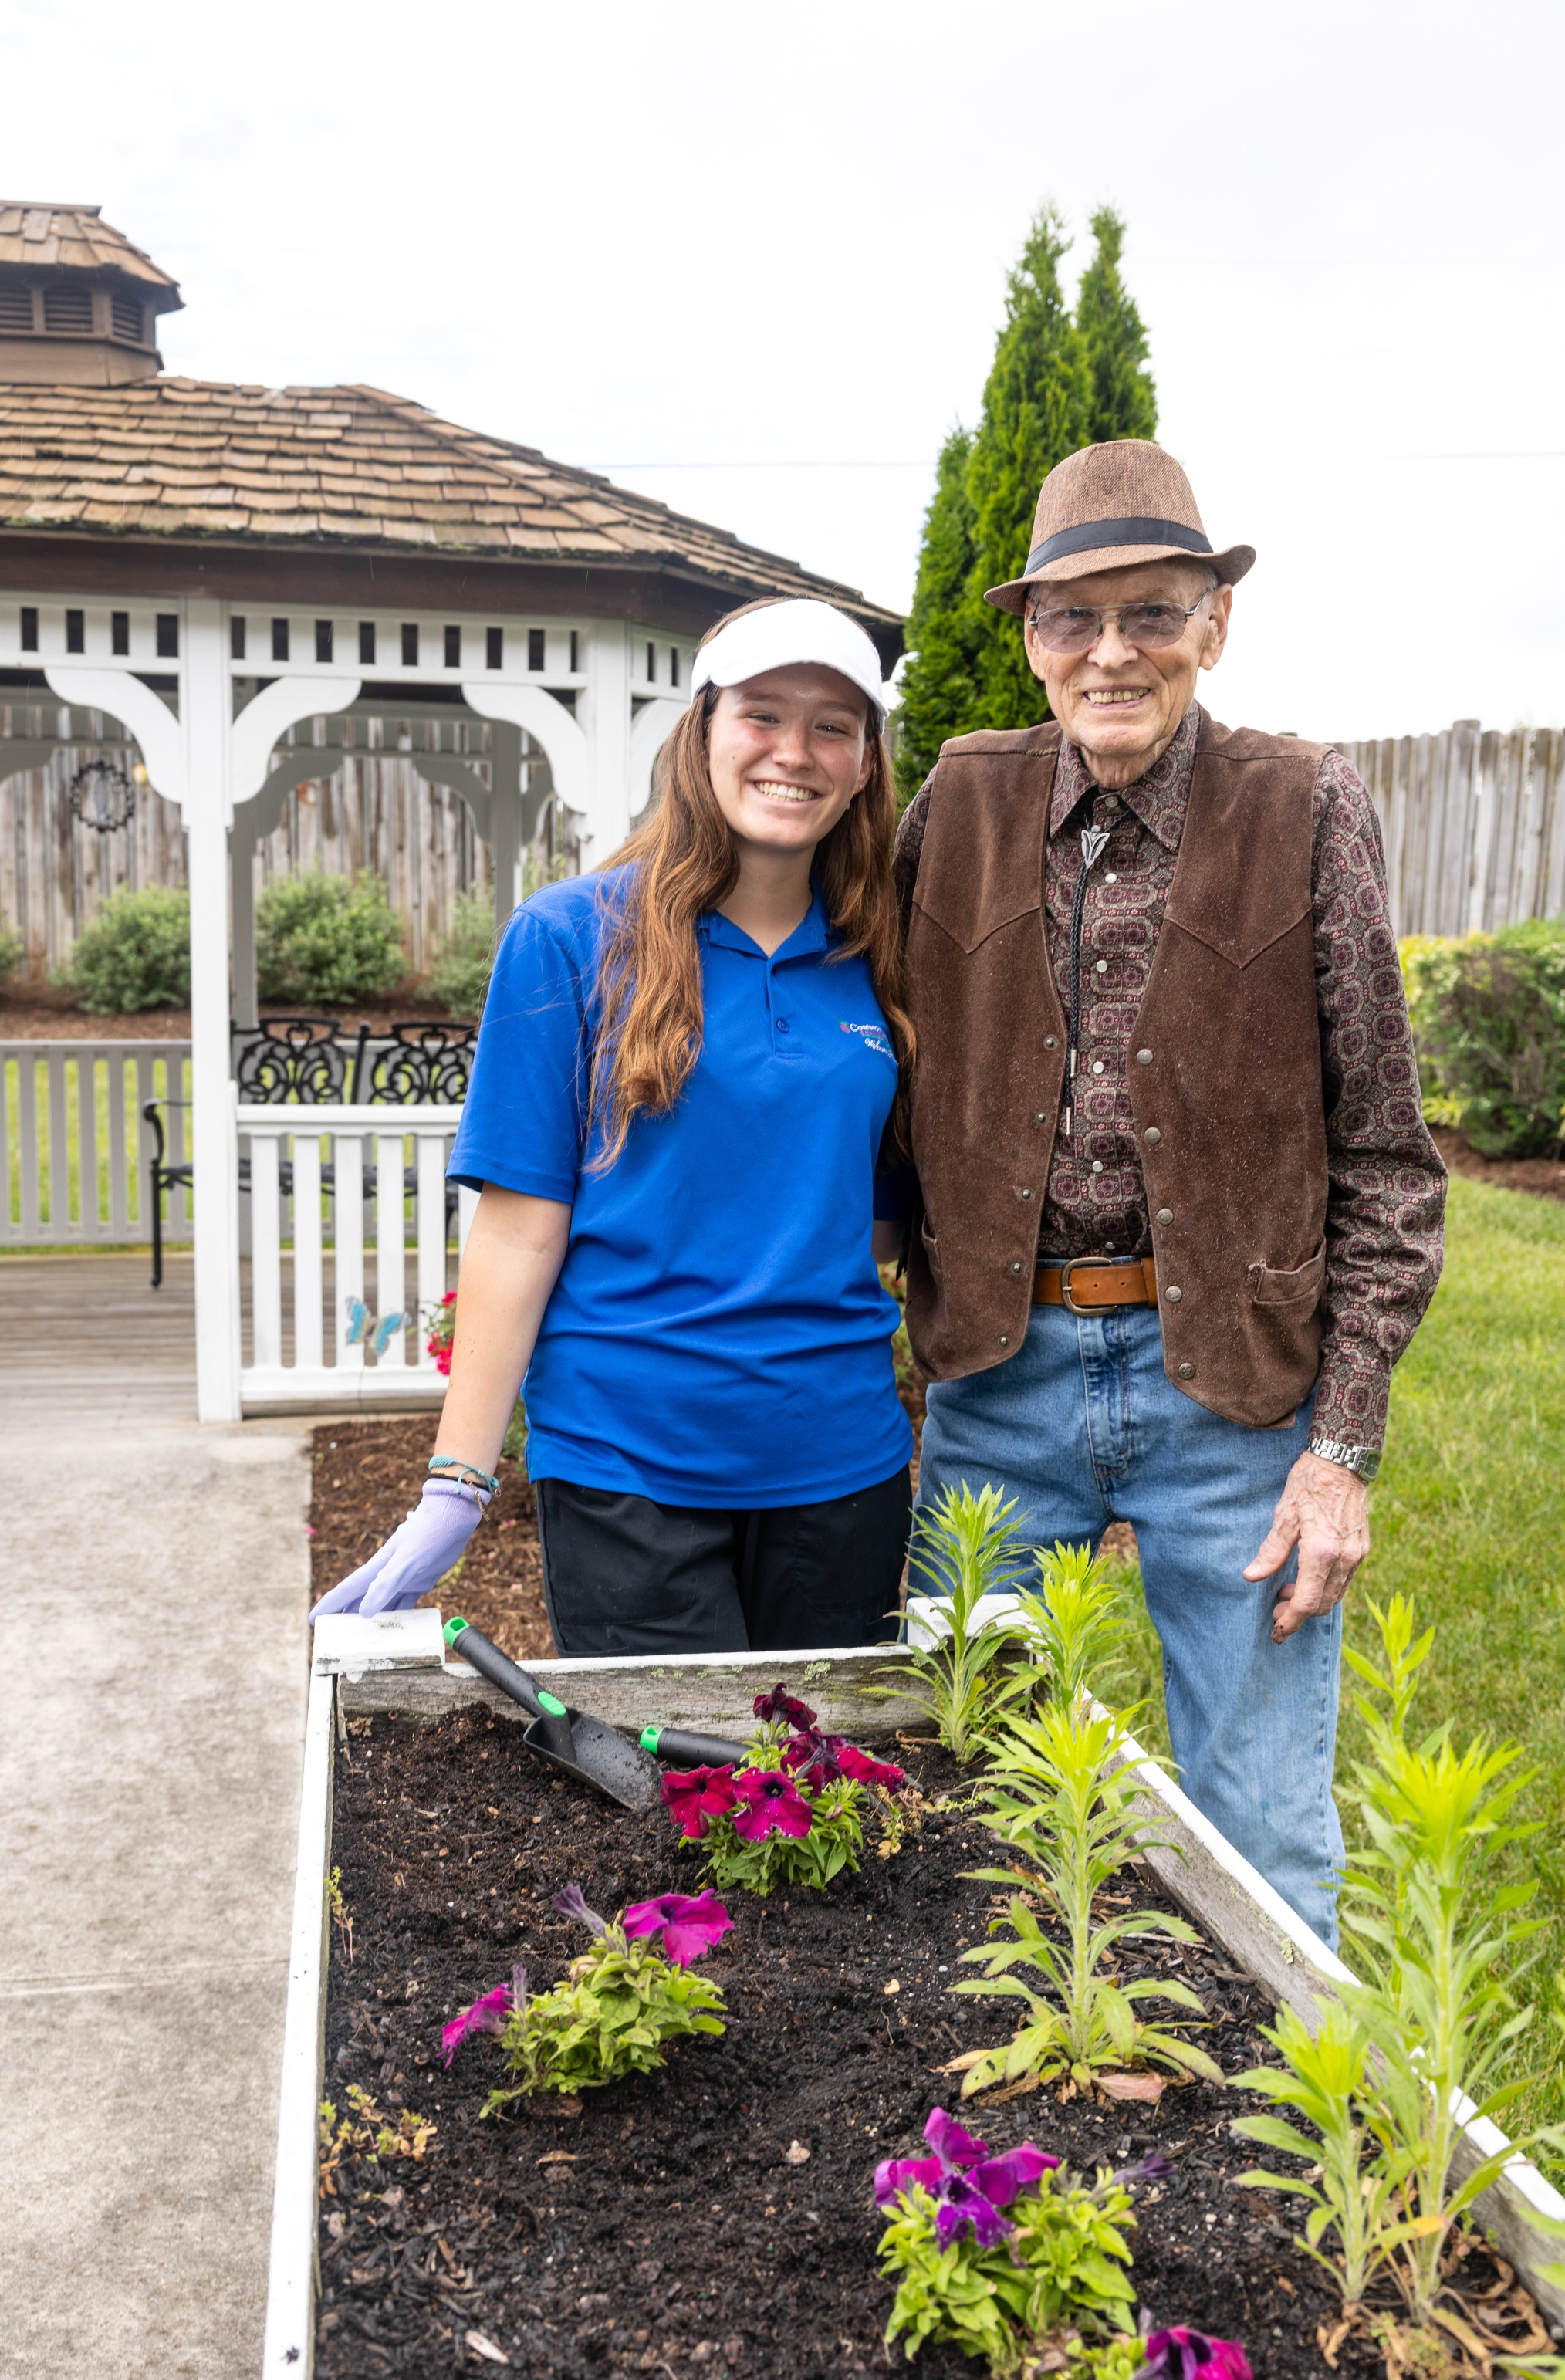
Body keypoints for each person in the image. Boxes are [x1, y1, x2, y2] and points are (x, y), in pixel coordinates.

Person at [894, 440, 1446, 1947]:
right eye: (1072, 619)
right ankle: (999, 2152)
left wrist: (1337, 1449)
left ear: (1213, 622)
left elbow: (1387, 1164)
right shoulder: (957, 801)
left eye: (1151, 612)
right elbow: (878, 1095)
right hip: (996, 1386)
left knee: (1263, 1833)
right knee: (964, 1797)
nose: (1111, 651)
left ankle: (1280, 2170)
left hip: (1236, 1407)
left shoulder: (1304, 806)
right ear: (1027, 639)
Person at [310, 597, 915, 1655]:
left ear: (866, 764)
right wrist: (457, 1484)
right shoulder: (571, 939)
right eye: (763, 716)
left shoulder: (883, 959)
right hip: (627, 1469)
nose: (795, 752)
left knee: (821, 1801)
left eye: (833, 726)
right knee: (667, 1806)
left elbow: (876, 1228)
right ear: (703, 734)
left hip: (842, 1469)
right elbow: (516, 1227)